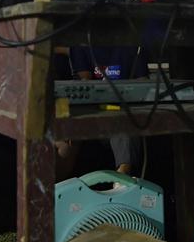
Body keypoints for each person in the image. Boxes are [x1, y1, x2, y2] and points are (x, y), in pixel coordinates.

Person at [55, 45, 146, 179]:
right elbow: (83, 82)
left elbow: (143, 84)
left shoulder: (132, 46)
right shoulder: (82, 46)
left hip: (118, 112)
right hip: (88, 114)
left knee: (123, 126)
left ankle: (122, 181)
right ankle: (59, 186)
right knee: (65, 143)